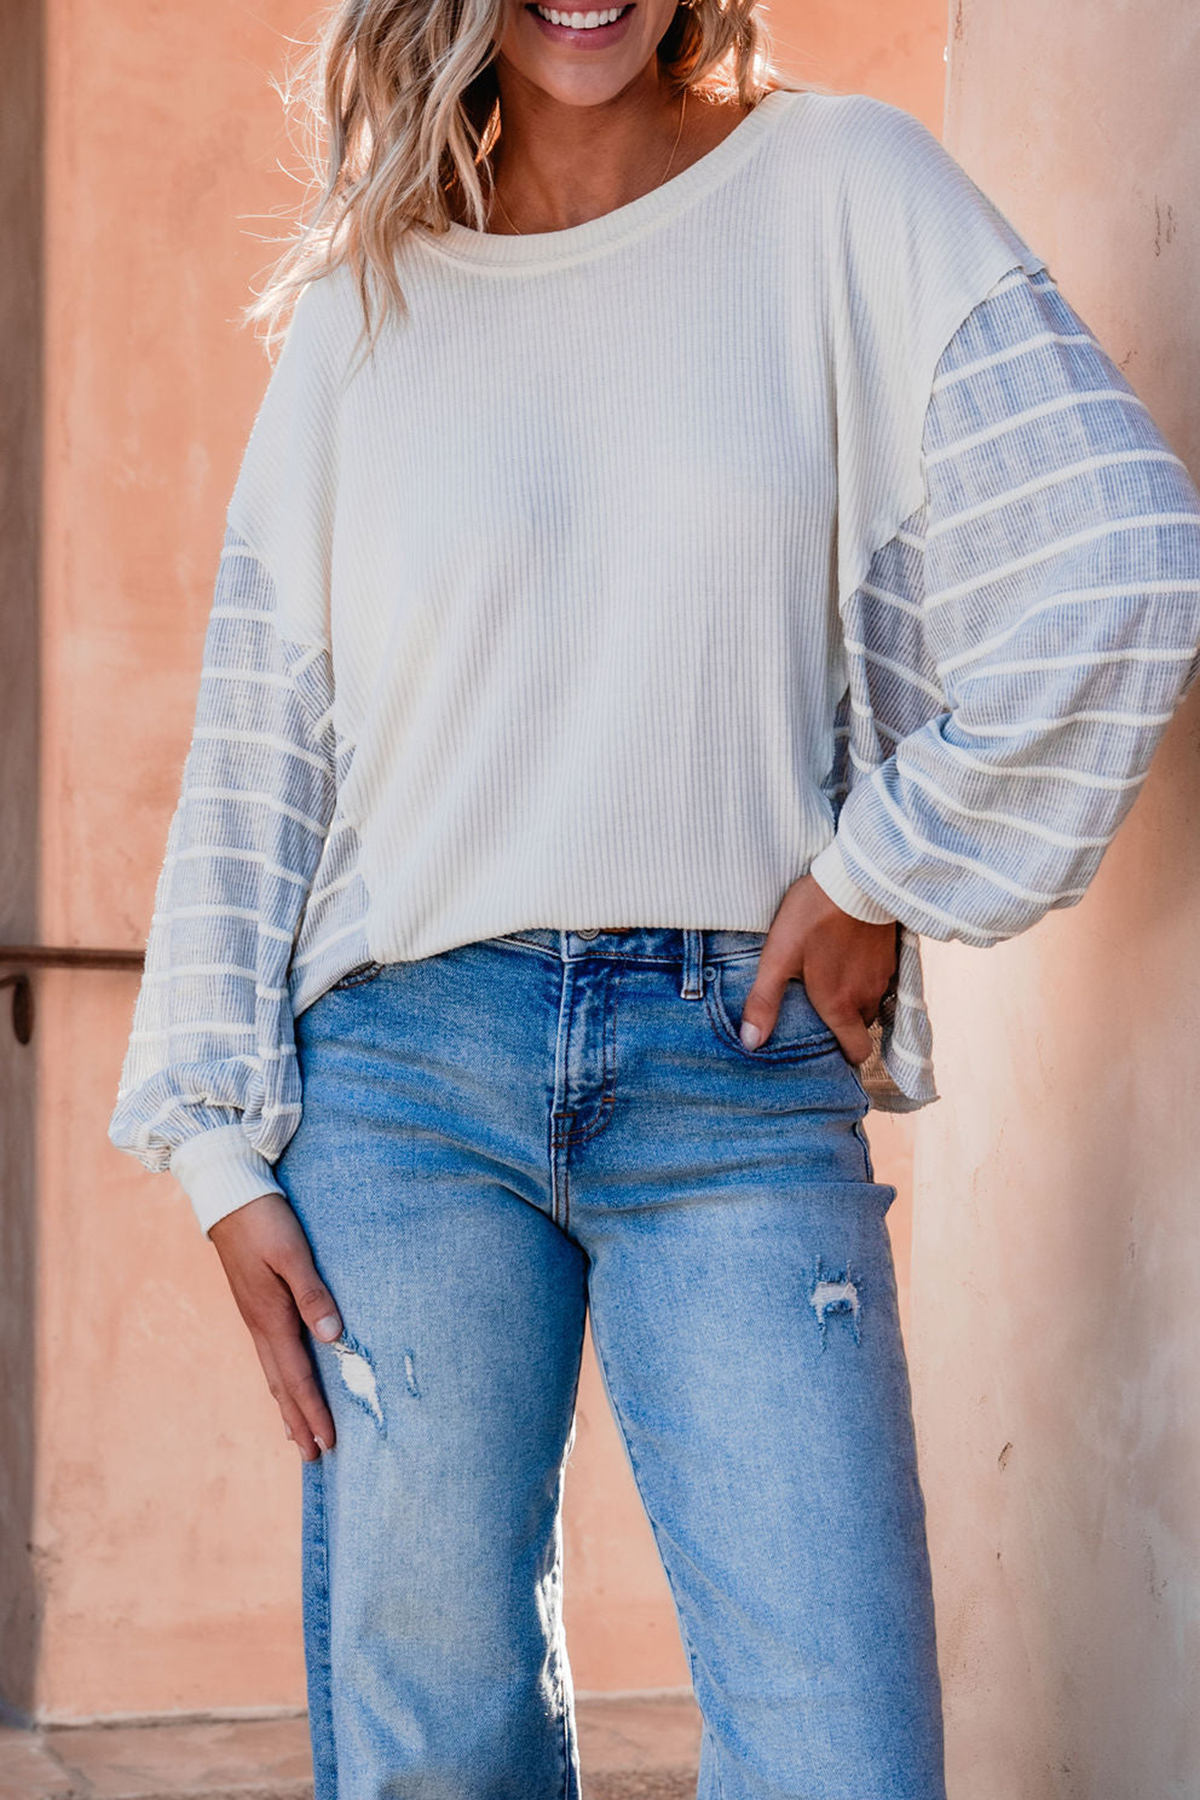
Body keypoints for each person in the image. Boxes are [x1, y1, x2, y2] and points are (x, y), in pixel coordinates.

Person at [108, 0, 1200, 1793]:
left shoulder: (843, 188)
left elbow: (1120, 555)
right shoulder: (369, 309)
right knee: (436, 1760)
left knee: (842, 1757)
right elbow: (261, 735)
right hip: (403, 1082)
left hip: (735, 1063)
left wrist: (881, 861)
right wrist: (218, 1151)